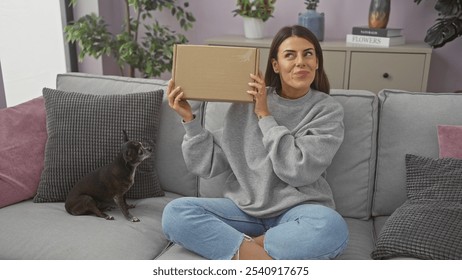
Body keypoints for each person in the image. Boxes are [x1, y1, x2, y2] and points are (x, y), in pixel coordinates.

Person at [162, 25, 348, 260]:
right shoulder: (246, 101)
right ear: (275, 65)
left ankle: (242, 253)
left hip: (298, 212)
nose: (301, 62)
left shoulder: (327, 110)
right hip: (243, 211)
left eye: (308, 54)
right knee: (175, 213)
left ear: (317, 62)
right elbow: (207, 165)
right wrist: (189, 119)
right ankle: (262, 257)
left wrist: (264, 115)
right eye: (290, 55)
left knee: (332, 227)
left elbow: (297, 171)